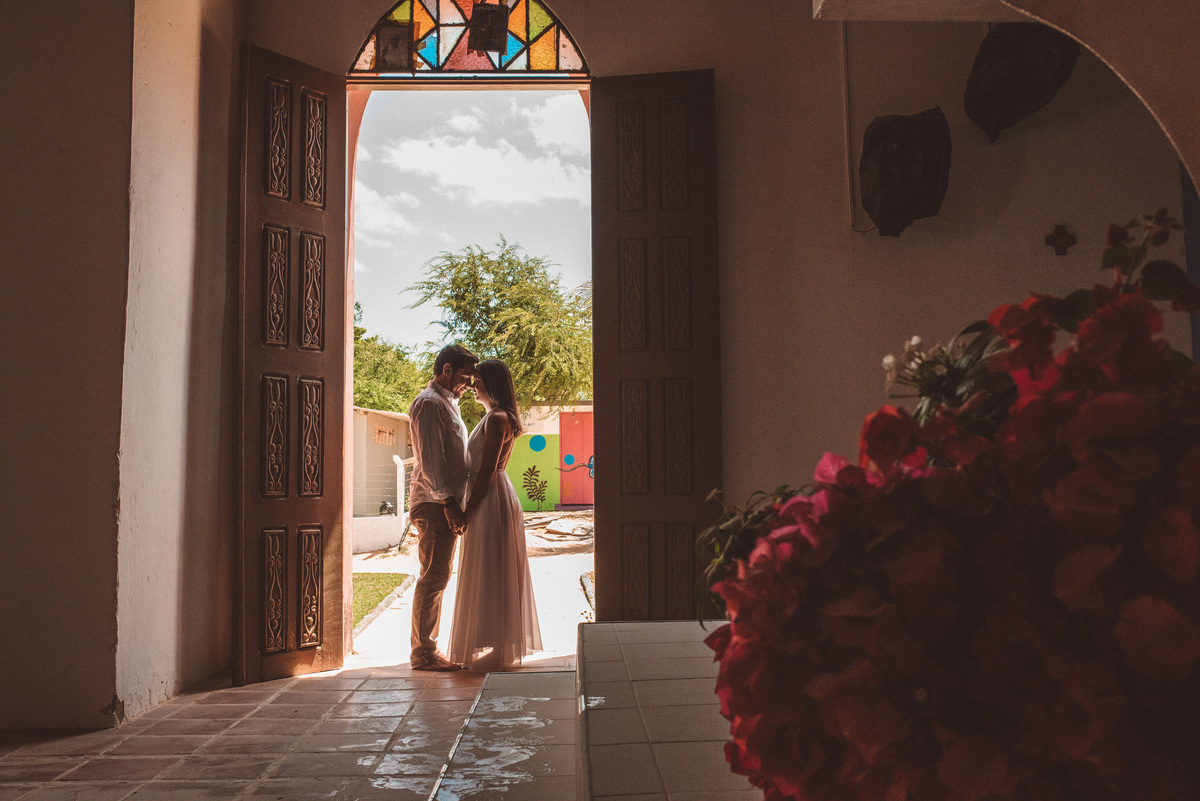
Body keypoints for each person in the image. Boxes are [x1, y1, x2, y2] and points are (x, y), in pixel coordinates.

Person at [448, 359, 543, 671]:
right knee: (490, 569)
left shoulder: (499, 418)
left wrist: (469, 509)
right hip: (490, 496)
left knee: (496, 569)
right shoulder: (495, 416)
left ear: (490, 383)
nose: (473, 385)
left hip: (491, 498)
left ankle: (503, 648)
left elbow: (487, 469)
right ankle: (496, 643)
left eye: (477, 380)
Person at [406, 343, 478, 671]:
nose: (469, 384)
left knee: (438, 575)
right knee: (433, 577)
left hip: (443, 503)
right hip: (434, 504)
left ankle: (427, 650)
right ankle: (423, 654)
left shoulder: (449, 402)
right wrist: (449, 503)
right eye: (464, 376)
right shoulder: (429, 403)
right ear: (446, 370)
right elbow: (432, 459)